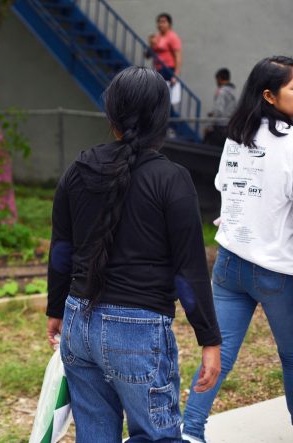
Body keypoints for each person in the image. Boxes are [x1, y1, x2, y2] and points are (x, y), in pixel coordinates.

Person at [46, 66, 222, 443]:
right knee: (157, 436)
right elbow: (188, 270)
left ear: (111, 114)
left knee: (93, 435)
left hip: (78, 321)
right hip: (138, 331)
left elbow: (61, 250)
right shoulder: (172, 179)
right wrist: (209, 338)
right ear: (163, 117)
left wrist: (55, 309)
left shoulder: (77, 169)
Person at [182, 56, 293, 443]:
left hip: (229, 264)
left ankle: (191, 432)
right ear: (269, 95)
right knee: (292, 359)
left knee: (220, 356)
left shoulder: (236, 134)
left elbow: (223, 186)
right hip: (277, 270)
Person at [204, 68, 237, 147]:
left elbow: (218, 111)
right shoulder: (234, 92)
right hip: (230, 127)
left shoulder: (221, 91)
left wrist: (209, 126)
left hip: (219, 128)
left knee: (208, 150)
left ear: (219, 78)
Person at [147, 13, 182, 85]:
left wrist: (175, 75)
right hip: (157, 69)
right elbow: (148, 56)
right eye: (159, 22)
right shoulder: (156, 36)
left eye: (163, 22)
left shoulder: (172, 37)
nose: (160, 24)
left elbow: (178, 57)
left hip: (168, 69)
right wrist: (151, 44)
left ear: (169, 24)